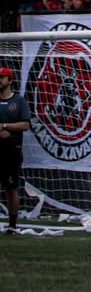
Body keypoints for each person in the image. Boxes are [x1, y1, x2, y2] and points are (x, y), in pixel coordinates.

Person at [0, 67, 30, 233]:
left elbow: (25, 125)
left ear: (10, 81)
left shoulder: (18, 101)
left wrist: (5, 126)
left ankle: (12, 224)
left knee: (11, 187)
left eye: (2, 78)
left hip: (11, 149)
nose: (0, 81)